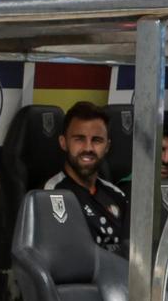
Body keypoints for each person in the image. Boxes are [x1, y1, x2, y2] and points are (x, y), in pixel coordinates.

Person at [44, 101, 129, 256]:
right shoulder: (52, 194)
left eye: (97, 140)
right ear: (63, 143)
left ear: (107, 146)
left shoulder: (117, 195)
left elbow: (132, 252)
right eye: (79, 139)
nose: (88, 148)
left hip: (122, 277)